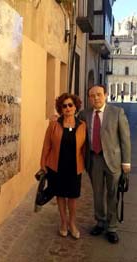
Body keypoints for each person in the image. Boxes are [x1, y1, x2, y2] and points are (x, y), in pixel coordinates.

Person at [78, 84, 131, 244]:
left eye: (99, 95)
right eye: (92, 95)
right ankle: (100, 222)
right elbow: (72, 127)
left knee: (113, 194)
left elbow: (125, 138)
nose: (96, 98)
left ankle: (112, 227)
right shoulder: (84, 114)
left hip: (113, 161)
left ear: (106, 95)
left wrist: (126, 162)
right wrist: (57, 119)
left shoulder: (117, 112)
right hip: (94, 159)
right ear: (89, 98)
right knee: (97, 194)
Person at [40, 93, 86, 239]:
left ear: (75, 107)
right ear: (60, 108)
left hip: (74, 167)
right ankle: (63, 223)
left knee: (72, 197)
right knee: (60, 195)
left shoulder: (82, 126)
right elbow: (46, 145)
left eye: (70, 105)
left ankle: (72, 224)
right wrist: (43, 164)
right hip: (56, 167)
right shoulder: (54, 124)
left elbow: (85, 148)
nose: (67, 108)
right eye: (64, 106)